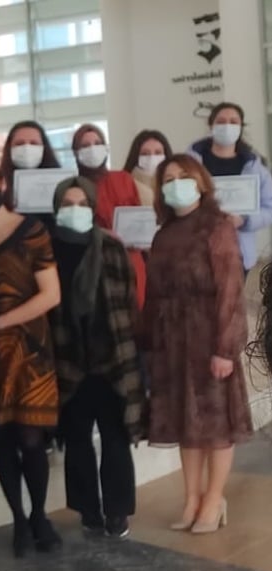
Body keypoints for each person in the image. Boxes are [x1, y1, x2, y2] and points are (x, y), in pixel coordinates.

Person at [0, 159, 63, 557]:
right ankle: (18, 519)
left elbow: (51, 294)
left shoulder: (32, 229)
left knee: (32, 438)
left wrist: (1, 321)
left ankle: (39, 515)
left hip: (32, 348)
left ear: (1, 184)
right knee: (1, 437)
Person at [145, 155, 252, 533]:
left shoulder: (217, 226)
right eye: (168, 179)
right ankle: (191, 497)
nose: (175, 183)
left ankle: (214, 498)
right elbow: (153, 295)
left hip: (209, 334)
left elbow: (230, 289)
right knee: (186, 423)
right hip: (173, 340)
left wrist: (225, 348)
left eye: (182, 176)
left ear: (200, 182)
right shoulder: (163, 234)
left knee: (216, 423)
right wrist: (150, 343)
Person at [49, 176, 146, 539]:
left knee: (115, 437)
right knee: (76, 439)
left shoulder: (110, 247)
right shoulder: (46, 249)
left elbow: (129, 297)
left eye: (82, 204)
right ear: (57, 208)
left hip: (111, 357)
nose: (75, 210)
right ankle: (88, 509)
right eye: (67, 204)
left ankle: (118, 510)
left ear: (92, 208)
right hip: (67, 358)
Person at [187, 102, 272, 274]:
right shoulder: (190, 163)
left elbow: (269, 207)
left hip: (238, 253)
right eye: (221, 121)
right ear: (211, 125)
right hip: (197, 250)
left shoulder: (255, 167)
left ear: (241, 127)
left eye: (233, 122)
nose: (227, 126)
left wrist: (245, 220)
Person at [72, 124, 147, 309]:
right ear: (75, 152)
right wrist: (102, 233)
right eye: (85, 145)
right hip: (97, 261)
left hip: (132, 257)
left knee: (138, 310)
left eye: (97, 143)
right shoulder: (74, 187)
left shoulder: (123, 179)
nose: (92, 149)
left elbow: (139, 215)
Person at [0, 121, 62, 227]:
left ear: (44, 147)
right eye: (19, 143)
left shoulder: (61, 182)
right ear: (9, 148)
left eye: (34, 143)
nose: (27, 148)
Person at [121, 129, 173, 207]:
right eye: (145, 154)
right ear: (135, 157)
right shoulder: (123, 185)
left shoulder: (175, 184)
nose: (152, 157)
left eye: (158, 153)